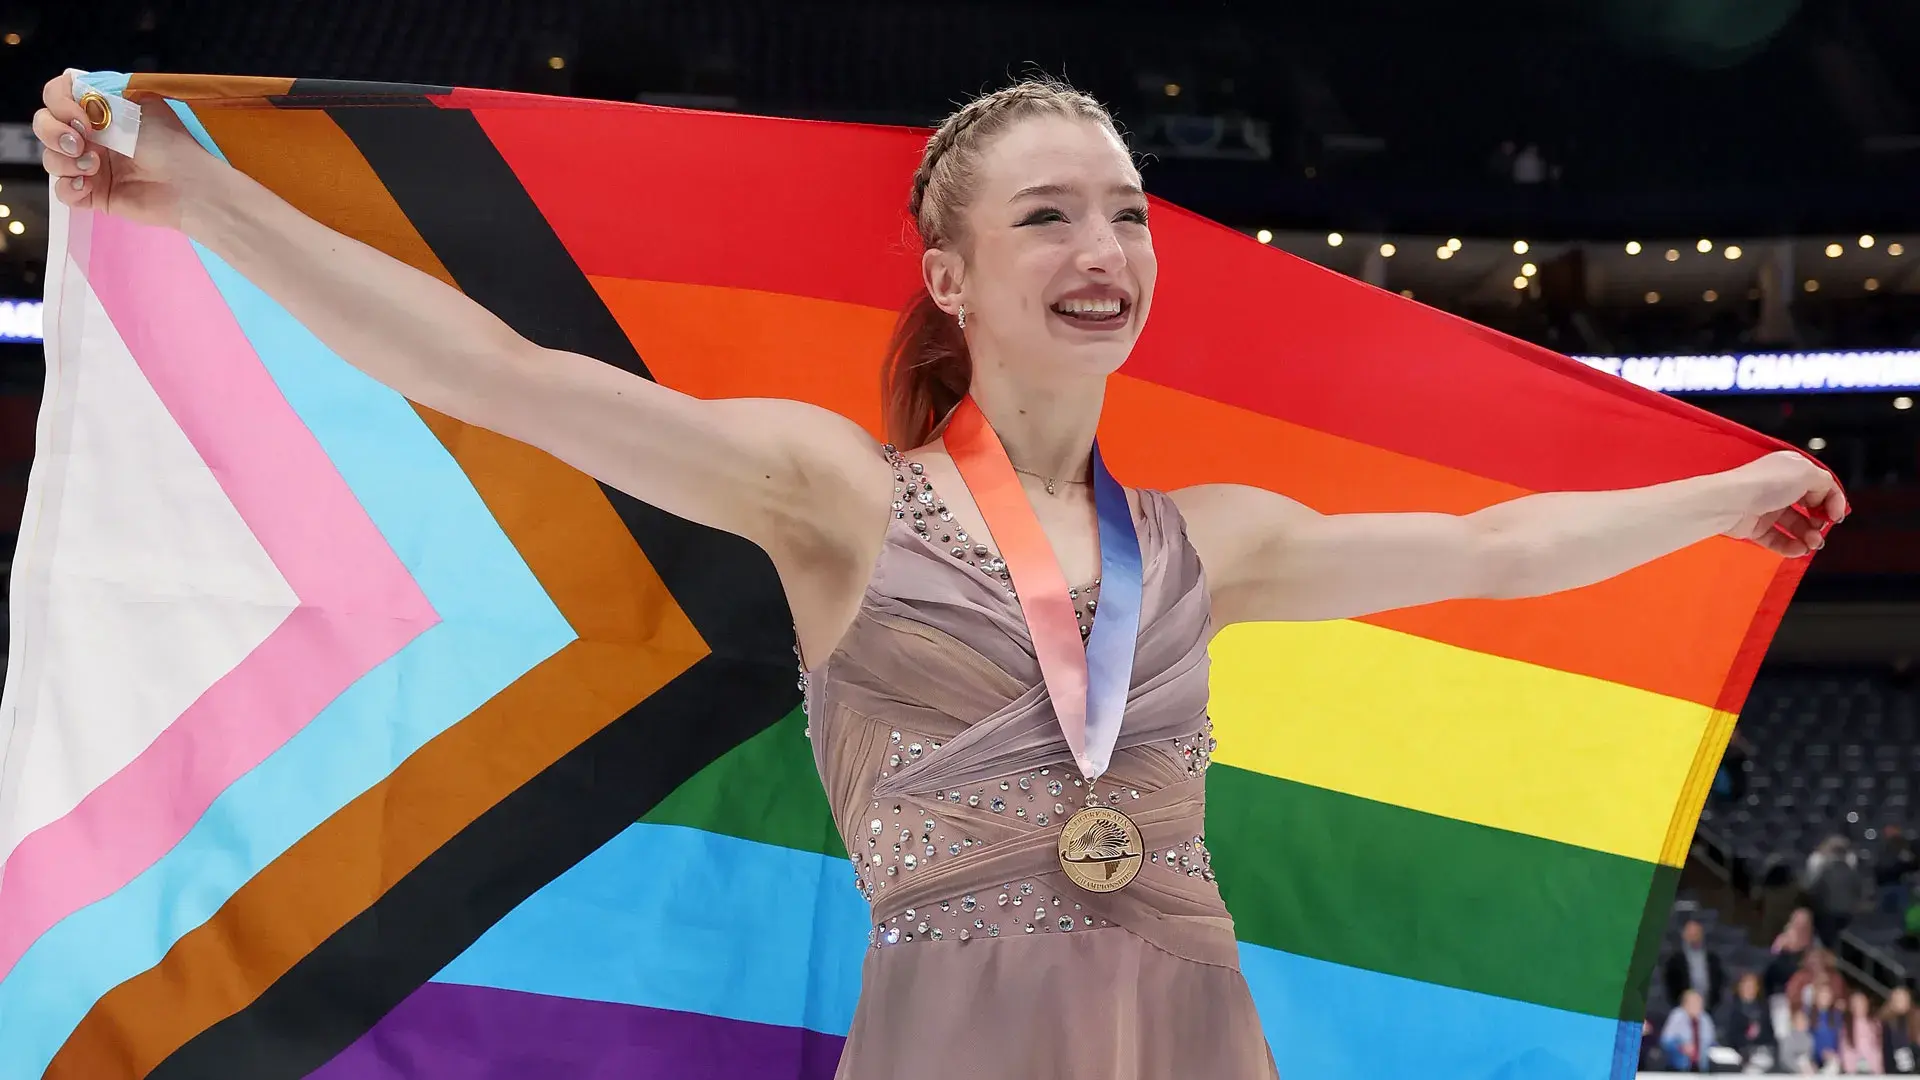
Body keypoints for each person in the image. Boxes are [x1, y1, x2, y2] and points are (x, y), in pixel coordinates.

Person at [33, 71, 1848, 1077]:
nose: (1103, 242)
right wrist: (199, 199)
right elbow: (502, 376)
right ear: (952, 278)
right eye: (1047, 213)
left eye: (1125, 211)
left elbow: (1493, 548)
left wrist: (1724, 494)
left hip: (1191, 1034)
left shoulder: (1208, 541)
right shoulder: (836, 497)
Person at [1665, 918, 1729, 1012]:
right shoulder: (1675, 960)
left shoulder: (1712, 959)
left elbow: (1719, 982)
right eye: (1690, 933)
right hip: (1683, 1009)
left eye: (1696, 933)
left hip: (1709, 1008)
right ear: (1684, 935)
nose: (1693, 936)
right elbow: (1671, 986)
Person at [1716, 970, 1774, 1069]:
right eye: (1746, 986)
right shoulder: (1729, 1008)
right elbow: (1727, 1033)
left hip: (1758, 1052)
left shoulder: (1763, 1009)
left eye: (1752, 986)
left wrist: (1757, 1036)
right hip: (1735, 1051)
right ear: (1739, 987)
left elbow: (1769, 1035)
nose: (1749, 989)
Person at [1661, 989, 1718, 1072]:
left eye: (1699, 1003)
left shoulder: (1705, 1019)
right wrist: (1681, 1047)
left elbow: (1712, 1042)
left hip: (1702, 1066)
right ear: (1685, 1004)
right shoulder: (1676, 1017)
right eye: (1693, 1003)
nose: (1697, 1006)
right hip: (1679, 1066)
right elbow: (1665, 1041)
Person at [1845, 989, 1886, 1074]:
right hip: (1854, 1073)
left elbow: (1879, 1050)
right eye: (1855, 1003)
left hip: (1874, 1072)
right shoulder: (1846, 1025)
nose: (1858, 1006)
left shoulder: (1876, 1024)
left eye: (1861, 1002)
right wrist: (1851, 1071)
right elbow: (1846, 1051)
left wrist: (1877, 1071)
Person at [1881, 986, 1920, 1074]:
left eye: (1904, 998)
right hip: (1895, 1070)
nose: (1902, 1002)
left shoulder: (1916, 1017)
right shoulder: (1885, 1022)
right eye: (1898, 999)